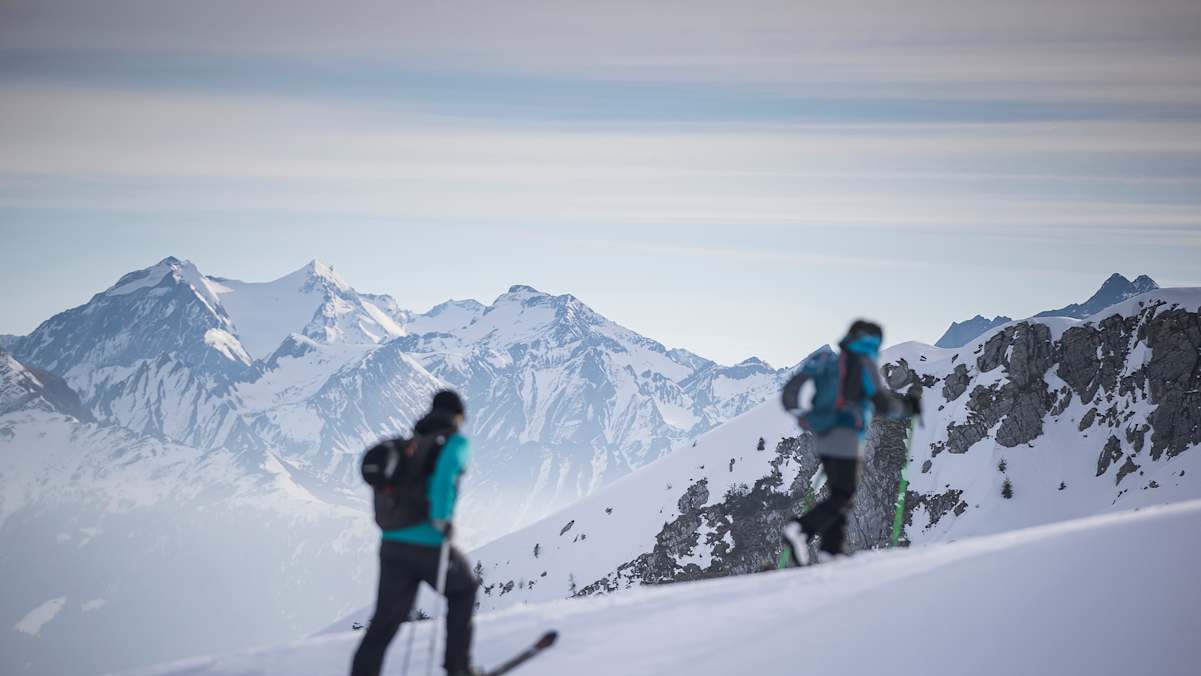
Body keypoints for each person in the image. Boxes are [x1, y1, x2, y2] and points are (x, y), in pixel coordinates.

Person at [351, 390, 481, 676]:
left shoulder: (411, 443)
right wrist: (441, 520)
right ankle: (458, 668)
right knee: (464, 590)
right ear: (457, 415)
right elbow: (445, 480)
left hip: (391, 545)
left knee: (386, 620)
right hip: (427, 544)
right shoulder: (454, 443)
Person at [780, 320, 920, 565]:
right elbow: (882, 404)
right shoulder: (864, 363)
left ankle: (830, 551)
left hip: (822, 435)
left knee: (840, 493)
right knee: (844, 495)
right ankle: (801, 529)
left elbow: (791, 390)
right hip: (846, 437)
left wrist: (803, 417)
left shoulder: (830, 362)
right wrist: (908, 407)